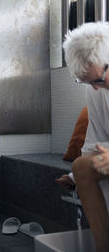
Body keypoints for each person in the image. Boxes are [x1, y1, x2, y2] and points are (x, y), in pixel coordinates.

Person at [57, 22, 109, 252]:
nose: (95, 88)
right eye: (87, 83)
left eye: (97, 80)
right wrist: (74, 176)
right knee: (81, 166)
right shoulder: (95, 91)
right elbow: (95, 142)